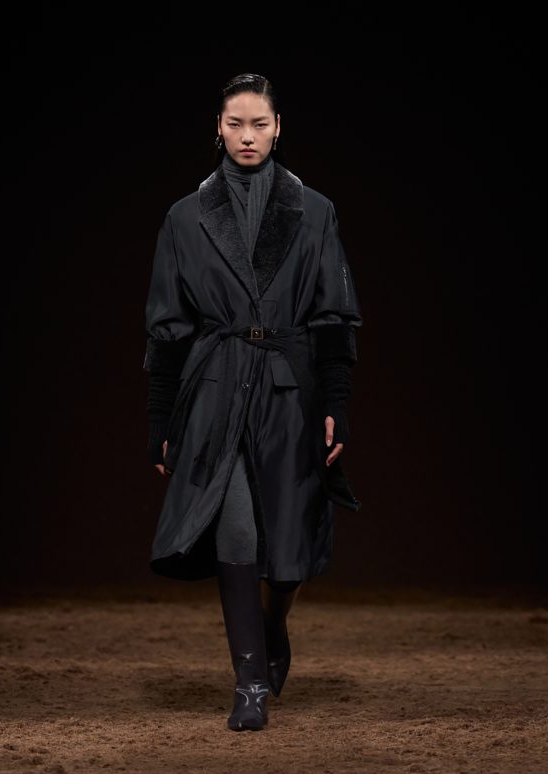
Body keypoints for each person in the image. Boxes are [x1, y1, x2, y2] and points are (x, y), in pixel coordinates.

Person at [144, 73, 363, 731]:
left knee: (288, 548)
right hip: (215, 387)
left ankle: (273, 626)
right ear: (217, 128)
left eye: (259, 124)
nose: (247, 136)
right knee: (235, 526)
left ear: (277, 128)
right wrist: (160, 417)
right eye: (235, 123)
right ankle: (250, 685)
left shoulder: (314, 211)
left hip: (289, 390)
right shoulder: (185, 217)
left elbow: (334, 316)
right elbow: (166, 326)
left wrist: (336, 400)